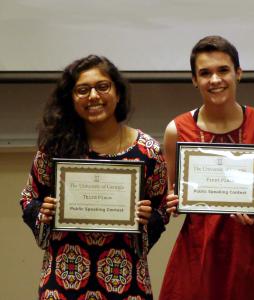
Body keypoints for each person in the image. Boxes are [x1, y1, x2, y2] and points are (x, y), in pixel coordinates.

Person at [19, 55, 168, 300]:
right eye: (83, 90)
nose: (94, 96)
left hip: (125, 282)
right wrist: (43, 213)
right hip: (64, 279)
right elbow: (29, 198)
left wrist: (146, 217)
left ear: (117, 93)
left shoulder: (147, 150)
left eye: (102, 87)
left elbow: (161, 208)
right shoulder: (55, 147)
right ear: (71, 98)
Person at [159, 36, 254, 300]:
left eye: (223, 70)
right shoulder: (176, 130)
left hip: (247, 248)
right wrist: (172, 202)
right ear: (194, 79)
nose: (215, 80)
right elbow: (170, 198)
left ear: (238, 73)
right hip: (197, 251)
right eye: (205, 73)